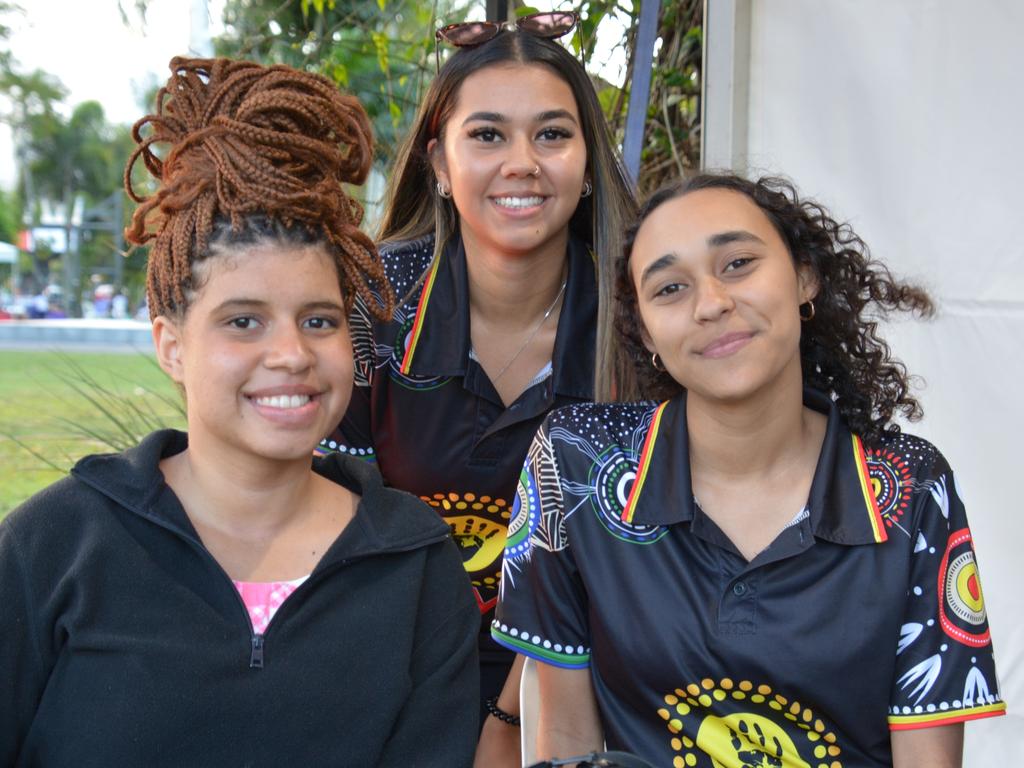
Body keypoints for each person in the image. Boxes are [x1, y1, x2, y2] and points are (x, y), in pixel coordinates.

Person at [0, 56, 479, 766]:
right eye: (243, 322)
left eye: (318, 321)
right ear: (171, 345)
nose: (290, 354)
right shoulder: (55, 546)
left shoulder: (415, 562)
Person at [493, 173, 1005, 767]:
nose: (711, 303)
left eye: (737, 263)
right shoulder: (575, 461)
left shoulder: (912, 488)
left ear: (804, 277)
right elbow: (564, 748)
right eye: (669, 289)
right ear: (645, 333)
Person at [317, 11, 637, 763]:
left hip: (579, 690)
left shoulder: (641, 321)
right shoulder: (371, 300)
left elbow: (628, 562)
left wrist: (506, 723)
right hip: (380, 670)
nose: (522, 162)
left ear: (589, 162)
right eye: (488, 135)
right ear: (438, 160)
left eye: (553, 135)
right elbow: (325, 522)